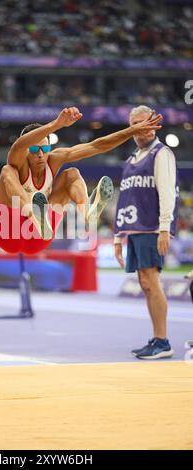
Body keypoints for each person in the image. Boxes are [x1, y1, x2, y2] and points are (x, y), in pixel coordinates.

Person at [0, 107, 162, 255]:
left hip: (39, 237)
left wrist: (132, 130)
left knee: (71, 174)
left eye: (44, 148)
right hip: (7, 233)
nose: (40, 154)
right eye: (34, 149)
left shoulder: (55, 158)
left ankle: (88, 211)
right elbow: (18, 146)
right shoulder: (18, 161)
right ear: (26, 150)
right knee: (7, 171)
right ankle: (33, 211)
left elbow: (97, 146)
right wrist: (56, 125)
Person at [114, 105, 179, 360]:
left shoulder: (161, 154)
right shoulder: (131, 159)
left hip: (151, 227)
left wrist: (165, 227)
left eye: (144, 122)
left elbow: (167, 192)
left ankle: (163, 341)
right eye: (135, 125)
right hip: (135, 228)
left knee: (152, 281)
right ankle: (157, 337)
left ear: (153, 124)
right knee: (145, 283)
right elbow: (125, 199)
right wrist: (119, 236)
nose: (140, 128)